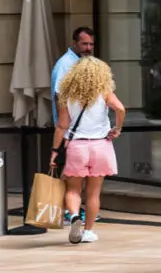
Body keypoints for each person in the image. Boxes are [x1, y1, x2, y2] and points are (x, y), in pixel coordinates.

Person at [49, 56, 125, 245]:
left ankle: (74, 215)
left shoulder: (66, 96)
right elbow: (120, 109)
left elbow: (61, 126)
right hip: (100, 145)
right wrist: (117, 128)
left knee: (73, 189)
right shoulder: (104, 92)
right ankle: (88, 231)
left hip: (77, 146)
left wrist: (54, 151)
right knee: (93, 193)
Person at [50, 27, 95, 124]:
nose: (89, 48)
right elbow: (59, 96)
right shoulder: (65, 64)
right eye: (84, 44)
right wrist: (63, 129)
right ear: (74, 43)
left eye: (91, 44)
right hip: (71, 130)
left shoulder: (81, 61)